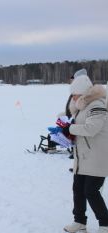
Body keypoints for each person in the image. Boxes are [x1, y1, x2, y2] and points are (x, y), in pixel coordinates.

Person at [62, 72, 108, 233]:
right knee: (78, 189)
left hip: (97, 157)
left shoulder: (98, 105)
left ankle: (105, 224)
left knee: (91, 191)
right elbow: (79, 124)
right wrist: (64, 128)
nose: (73, 98)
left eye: (75, 95)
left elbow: (92, 129)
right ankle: (80, 222)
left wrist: (71, 128)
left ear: (83, 93)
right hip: (83, 157)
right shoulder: (83, 107)